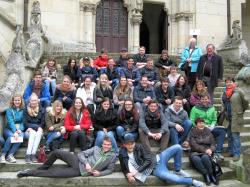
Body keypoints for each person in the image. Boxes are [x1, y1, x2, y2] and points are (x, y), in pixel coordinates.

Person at [119, 135, 204, 187]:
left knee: (178, 147)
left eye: (132, 143)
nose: (130, 146)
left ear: (134, 143)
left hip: (159, 158)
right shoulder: (122, 153)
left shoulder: (139, 147)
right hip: (155, 169)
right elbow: (124, 168)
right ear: (124, 144)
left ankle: (177, 170)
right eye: (128, 144)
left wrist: (136, 172)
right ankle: (192, 181)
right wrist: (127, 174)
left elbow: (148, 160)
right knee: (173, 179)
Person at [17, 136, 117, 178]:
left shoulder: (112, 157)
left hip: (79, 172)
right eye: (105, 144)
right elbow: (81, 154)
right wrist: (86, 163)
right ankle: (42, 168)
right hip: (77, 161)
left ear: (111, 145)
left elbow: (110, 170)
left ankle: (29, 173)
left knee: (54, 174)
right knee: (57, 152)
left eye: (108, 145)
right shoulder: (95, 148)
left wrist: (100, 173)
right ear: (102, 144)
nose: (106, 146)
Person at [190, 94, 226, 160]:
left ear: (208, 99)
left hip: (210, 127)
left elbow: (214, 119)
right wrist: (199, 126)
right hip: (200, 128)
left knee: (222, 131)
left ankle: (217, 152)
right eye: (203, 99)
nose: (204, 101)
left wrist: (212, 125)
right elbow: (192, 120)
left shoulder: (212, 108)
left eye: (206, 99)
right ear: (200, 100)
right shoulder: (195, 108)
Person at [221, 77, 249, 161]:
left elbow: (245, 103)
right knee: (229, 135)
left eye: (230, 82)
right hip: (228, 117)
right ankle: (231, 151)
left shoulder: (239, 91)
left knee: (235, 136)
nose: (228, 83)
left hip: (236, 117)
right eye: (227, 82)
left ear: (233, 82)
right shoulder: (224, 92)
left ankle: (237, 154)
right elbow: (223, 103)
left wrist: (240, 111)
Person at [189, 118, 218, 186]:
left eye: (202, 122)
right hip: (195, 151)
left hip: (208, 151)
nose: (201, 124)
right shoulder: (192, 132)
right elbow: (194, 145)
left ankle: (211, 175)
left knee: (205, 157)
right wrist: (205, 150)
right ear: (196, 125)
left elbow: (213, 143)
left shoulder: (208, 131)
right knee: (196, 159)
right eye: (199, 123)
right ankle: (206, 174)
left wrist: (211, 149)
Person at [0, 94, 25, 163]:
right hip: (9, 129)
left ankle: (10, 155)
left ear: (21, 101)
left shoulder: (23, 110)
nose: (17, 102)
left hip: (19, 129)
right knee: (11, 137)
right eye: (15, 100)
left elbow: (24, 122)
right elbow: (10, 122)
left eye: (18, 100)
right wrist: (15, 132)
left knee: (21, 136)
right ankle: (3, 155)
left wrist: (20, 129)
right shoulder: (9, 110)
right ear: (13, 101)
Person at [23, 93, 45, 163]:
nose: (33, 102)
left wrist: (39, 128)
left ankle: (33, 154)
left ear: (37, 101)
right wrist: (37, 127)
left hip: (38, 130)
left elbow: (43, 122)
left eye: (35, 100)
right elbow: (25, 123)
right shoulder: (25, 110)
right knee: (32, 133)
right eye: (32, 100)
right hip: (28, 130)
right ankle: (28, 154)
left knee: (38, 133)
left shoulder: (42, 110)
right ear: (29, 101)